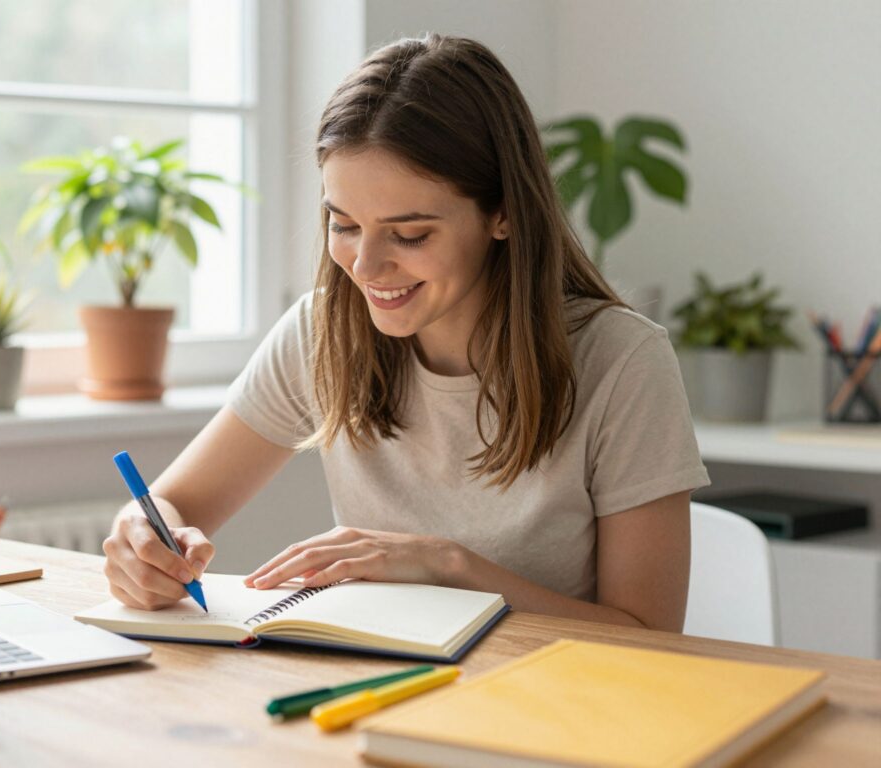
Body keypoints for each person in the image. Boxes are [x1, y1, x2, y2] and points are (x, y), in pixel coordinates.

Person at [102, 34, 709, 632]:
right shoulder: (323, 333)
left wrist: (446, 566)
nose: (365, 267)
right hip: (384, 692)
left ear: (504, 212)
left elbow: (650, 636)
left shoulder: (622, 361)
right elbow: (171, 505)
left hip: (557, 708)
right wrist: (143, 539)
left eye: (410, 234)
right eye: (343, 224)